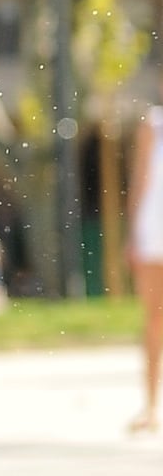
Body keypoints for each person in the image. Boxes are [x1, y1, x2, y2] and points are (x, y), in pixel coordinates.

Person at [128, 81, 163, 433]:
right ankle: (151, 407)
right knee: (154, 321)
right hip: (155, 233)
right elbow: (139, 180)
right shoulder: (152, 124)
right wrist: (132, 235)